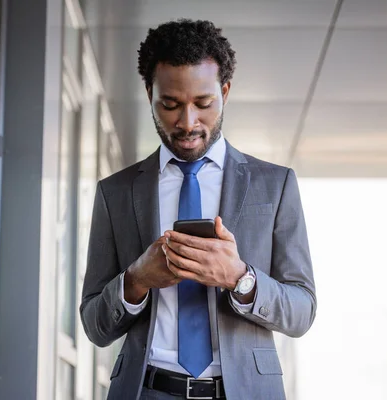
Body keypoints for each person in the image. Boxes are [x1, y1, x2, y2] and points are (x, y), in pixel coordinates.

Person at [80, 19, 316, 400]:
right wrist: (137, 279)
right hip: (146, 390)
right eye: (170, 105)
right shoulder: (116, 193)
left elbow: (302, 310)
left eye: (203, 104)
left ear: (224, 92)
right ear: (149, 93)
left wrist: (240, 277)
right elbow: (95, 324)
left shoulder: (275, 184)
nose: (187, 123)